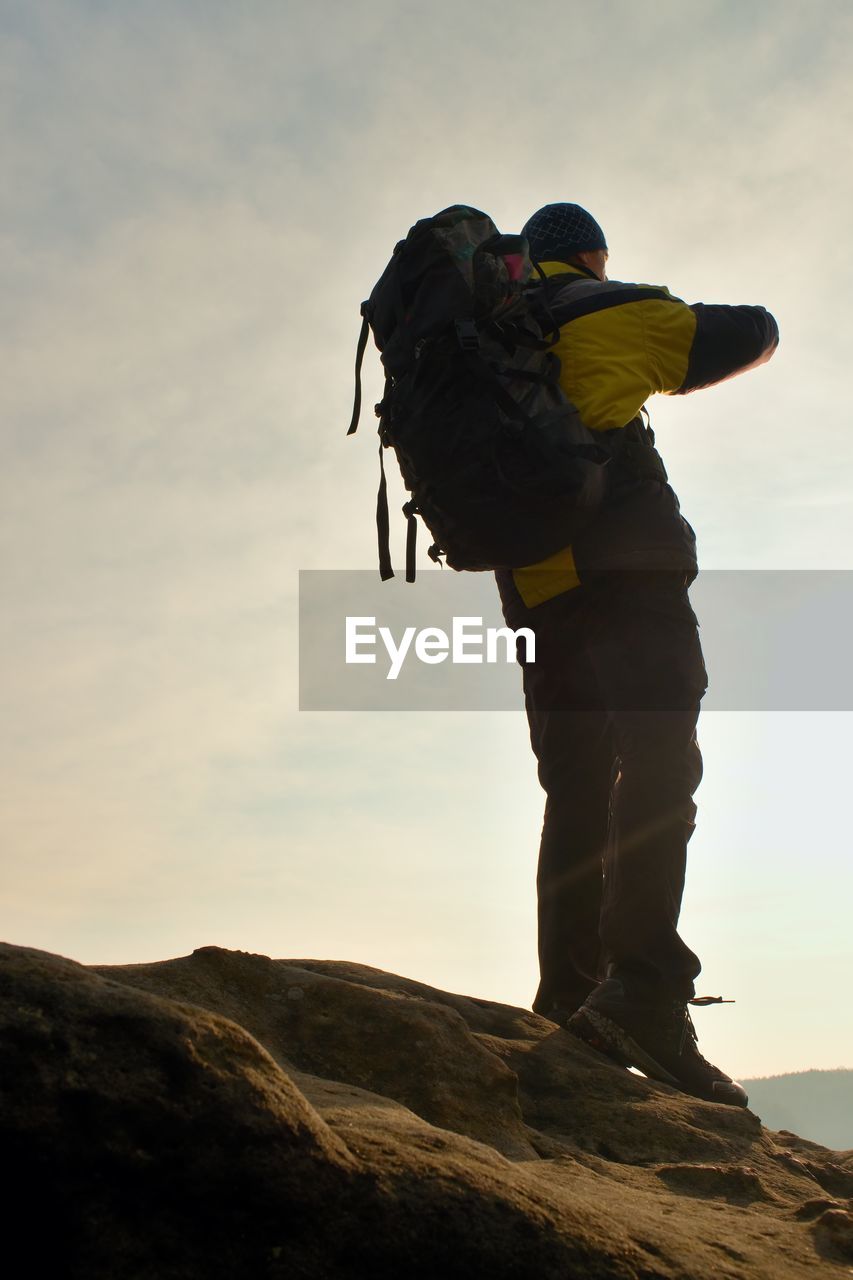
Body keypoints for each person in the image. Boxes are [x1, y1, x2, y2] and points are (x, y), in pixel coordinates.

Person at [495, 202, 778, 1107]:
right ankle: (645, 993)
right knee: (658, 761)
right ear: (584, 253)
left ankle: (567, 999)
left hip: (536, 586)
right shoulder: (602, 306)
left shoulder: (483, 334)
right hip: (628, 573)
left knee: (574, 790)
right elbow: (754, 332)